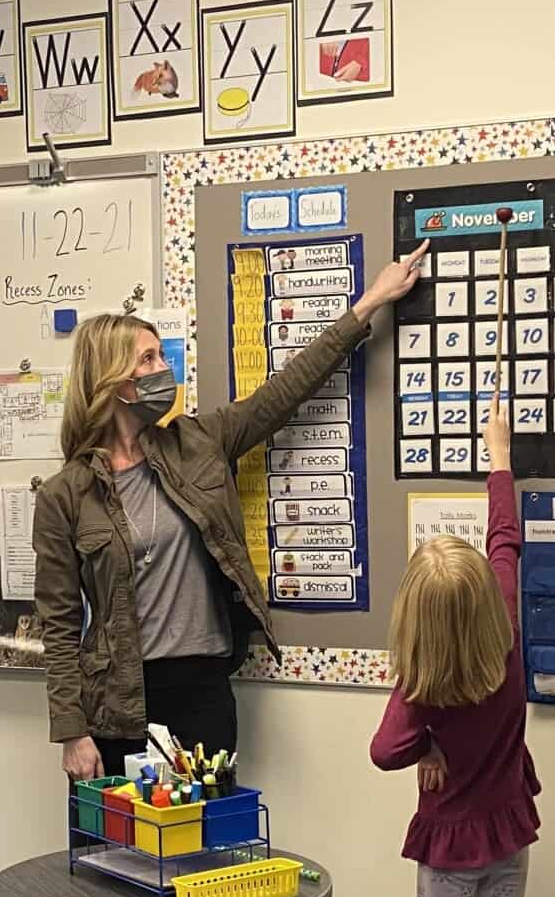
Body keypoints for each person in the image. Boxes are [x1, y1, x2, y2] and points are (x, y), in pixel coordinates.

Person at [34, 240, 430, 782]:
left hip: (202, 690)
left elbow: (283, 393)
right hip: (120, 702)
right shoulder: (65, 495)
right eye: (147, 359)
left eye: (161, 355)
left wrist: (368, 304)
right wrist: (71, 732)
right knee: (122, 858)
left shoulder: (197, 441)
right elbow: (58, 626)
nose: (162, 368)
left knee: (207, 850)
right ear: (111, 382)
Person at [369, 396, 540, 897]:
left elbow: (385, 751)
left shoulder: (421, 687)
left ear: (414, 619)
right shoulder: (507, 631)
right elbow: (504, 540)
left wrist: (431, 743)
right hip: (509, 833)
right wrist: (499, 456)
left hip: (448, 844)